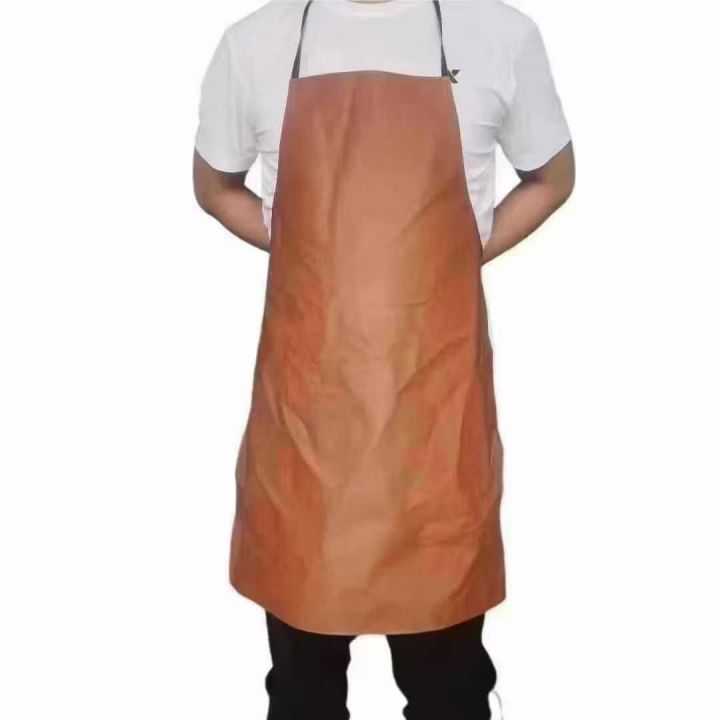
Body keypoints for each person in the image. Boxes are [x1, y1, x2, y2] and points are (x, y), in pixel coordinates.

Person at [193, 1, 575, 718]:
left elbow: (552, 178)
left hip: (435, 435)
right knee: (303, 695)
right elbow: (214, 187)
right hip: (308, 437)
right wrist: (302, 251)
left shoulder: (498, 34)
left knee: (448, 693)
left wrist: (462, 253)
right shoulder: (256, 43)